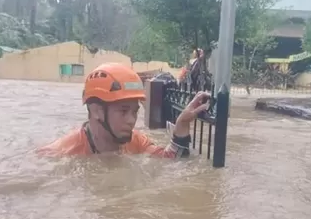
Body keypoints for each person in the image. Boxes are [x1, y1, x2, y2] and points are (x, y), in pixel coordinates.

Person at [38, 63, 210, 158]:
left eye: (135, 112)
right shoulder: (61, 153)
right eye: (123, 111)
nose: (131, 120)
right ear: (97, 110)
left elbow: (171, 161)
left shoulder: (135, 140)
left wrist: (182, 126)